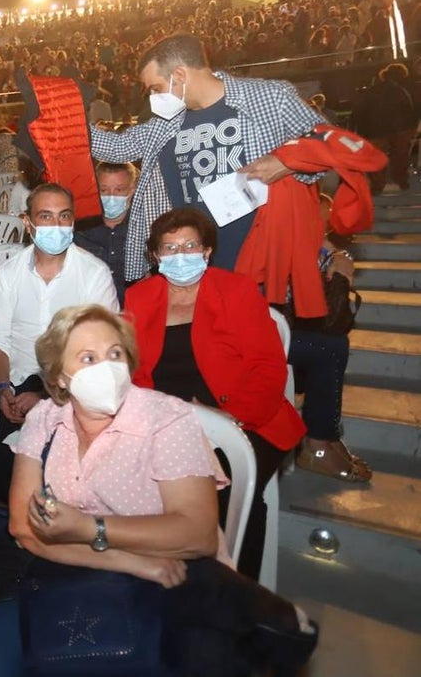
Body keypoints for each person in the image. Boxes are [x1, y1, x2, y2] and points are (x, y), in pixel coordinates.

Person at [0, 304, 226, 677]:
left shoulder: (167, 419)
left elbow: (198, 535)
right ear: (59, 376)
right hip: (70, 570)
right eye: (88, 358)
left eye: (115, 354)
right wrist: (125, 559)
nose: (106, 368)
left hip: (165, 579)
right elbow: (23, 528)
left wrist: (87, 528)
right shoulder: (45, 419)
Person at [123, 208, 305, 581]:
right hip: (167, 423)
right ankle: (169, 583)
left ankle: (238, 589)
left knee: (224, 488)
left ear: (206, 251)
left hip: (247, 419)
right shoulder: (140, 296)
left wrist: (231, 418)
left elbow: (268, 368)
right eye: (170, 248)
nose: (181, 255)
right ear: (156, 256)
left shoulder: (236, 290)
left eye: (190, 245)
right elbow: (132, 372)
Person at [89, 33, 324, 284]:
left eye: (156, 88)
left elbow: (328, 143)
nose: (153, 97)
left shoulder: (269, 97)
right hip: (191, 260)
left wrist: (287, 162)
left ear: (179, 75)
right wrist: (65, 116)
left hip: (262, 255)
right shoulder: (167, 122)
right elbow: (116, 147)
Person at [0, 183, 119, 423]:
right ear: (27, 223)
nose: (56, 225)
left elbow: (103, 351)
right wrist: (4, 388)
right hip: (16, 380)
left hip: (73, 384)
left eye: (64, 216)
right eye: (46, 217)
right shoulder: (9, 273)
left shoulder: (94, 274)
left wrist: (47, 397)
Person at [291, 193, 371, 482]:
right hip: (260, 327)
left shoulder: (311, 240)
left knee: (332, 344)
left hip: (281, 322)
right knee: (329, 349)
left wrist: (336, 255)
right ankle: (319, 442)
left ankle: (326, 436)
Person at [74, 161, 139, 304]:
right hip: (89, 309)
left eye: (119, 190)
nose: (111, 196)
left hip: (134, 310)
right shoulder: (78, 230)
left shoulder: (143, 229)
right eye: (103, 190)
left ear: (132, 189)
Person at [350, 61, 417, 194]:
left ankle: (377, 185)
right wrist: (411, 129)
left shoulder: (370, 91)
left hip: (373, 130)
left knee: (376, 159)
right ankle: (401, 180)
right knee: (400, 157)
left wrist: (357, 130)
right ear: (401, 76)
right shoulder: (401, 91)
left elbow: (358, 112)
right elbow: (408, 111)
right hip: (398, 130)